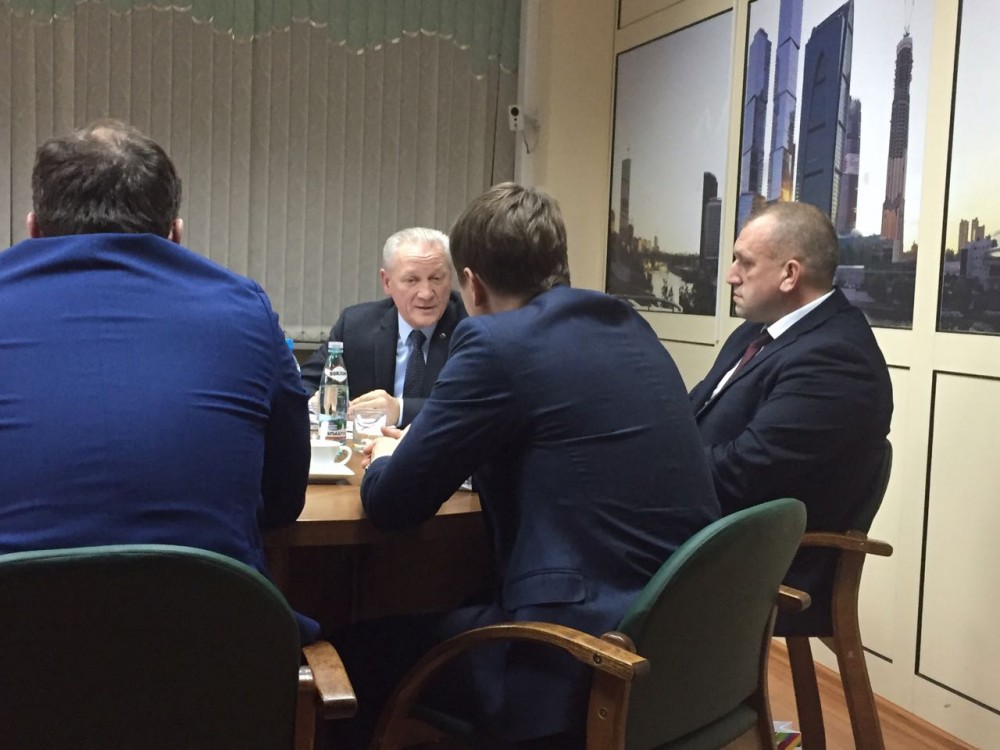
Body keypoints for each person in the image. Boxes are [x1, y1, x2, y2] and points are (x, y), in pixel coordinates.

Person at [333, 183, 720, 746]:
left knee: (344, 655)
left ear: (470, 284)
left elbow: (393, 505)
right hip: (681, 634)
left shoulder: (494, 342)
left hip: (570, 652)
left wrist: (385, 457)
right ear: (558, 264)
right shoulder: (625, 322)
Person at [0, 120, 317, 643]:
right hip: (212, 660)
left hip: (17, 662)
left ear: (33, 231)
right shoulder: (244, 309)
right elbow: (284, 502)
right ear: (176, 235)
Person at [689, 200, 893, 633]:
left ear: (790, 274)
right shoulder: (759, 331)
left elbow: (746, 472)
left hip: (761, 557)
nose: (730, 275)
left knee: (584, 548)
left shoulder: (838, 358)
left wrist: (653, 471)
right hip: (713, 525)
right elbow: (691, 413)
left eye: (744, 262)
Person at [299, 227, 466, 427]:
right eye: (412, 280)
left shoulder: (471, 328)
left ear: (451, 278)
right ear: (387, 282)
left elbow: (472, 406)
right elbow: (303, 385)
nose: (426, 293)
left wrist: (400, 410)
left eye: (436, 279)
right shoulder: (356, 325)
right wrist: (316, 402)